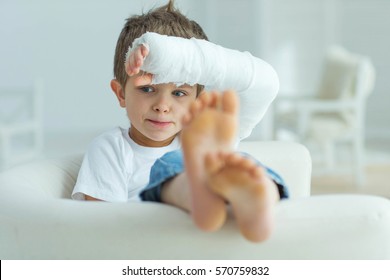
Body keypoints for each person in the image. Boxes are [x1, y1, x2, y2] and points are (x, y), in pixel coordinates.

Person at [72, 0, 288, 242]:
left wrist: (170, 55)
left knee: (239, 163)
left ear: (198, 101)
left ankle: (257, 200)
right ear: (121, 93)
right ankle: (197, 192)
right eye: (148, 89)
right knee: (171, 168)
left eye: (179, 93)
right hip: (156, 238)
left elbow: (266, 82)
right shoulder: (110, 148)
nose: (162, 106)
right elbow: (101, 227)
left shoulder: (205, 137)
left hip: (212, 216)